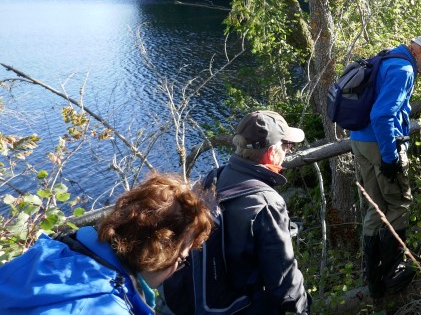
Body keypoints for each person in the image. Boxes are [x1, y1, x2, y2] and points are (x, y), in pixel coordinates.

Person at [0, 173, 213, 314]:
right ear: (159, 253)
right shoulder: (107, 308)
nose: (177, 268)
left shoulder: (49, 251)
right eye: (182, 259)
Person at [350, 33, 421, 299]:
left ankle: (374, 282)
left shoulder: (387, 57)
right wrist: (390, 157)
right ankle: (393, 273)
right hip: (379, 143)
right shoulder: (404, 69)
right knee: (399, 203)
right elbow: (382, 115)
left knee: (376, 206)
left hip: (359, 140)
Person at [216, 110, 311, 315]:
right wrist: (302, 309)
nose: (288, 151)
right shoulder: (267, 203)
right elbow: (284, 282)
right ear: (271, 152)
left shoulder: (215, 178)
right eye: (287, 146)